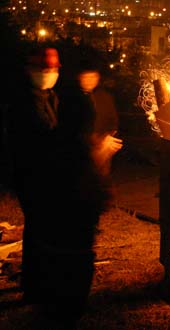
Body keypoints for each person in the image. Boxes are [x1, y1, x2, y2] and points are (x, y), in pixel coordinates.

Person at [7, 46, 109, 328]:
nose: (47, 75)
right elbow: (42, 140)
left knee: (40, 227)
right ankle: (36, 288)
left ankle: (37, 285)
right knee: (40, 227)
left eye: (52, 70)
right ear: (29, 71)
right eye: (42, 70)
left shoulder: (53, 97)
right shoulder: (23, 103)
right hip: (32, 174)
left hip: (49, 175)